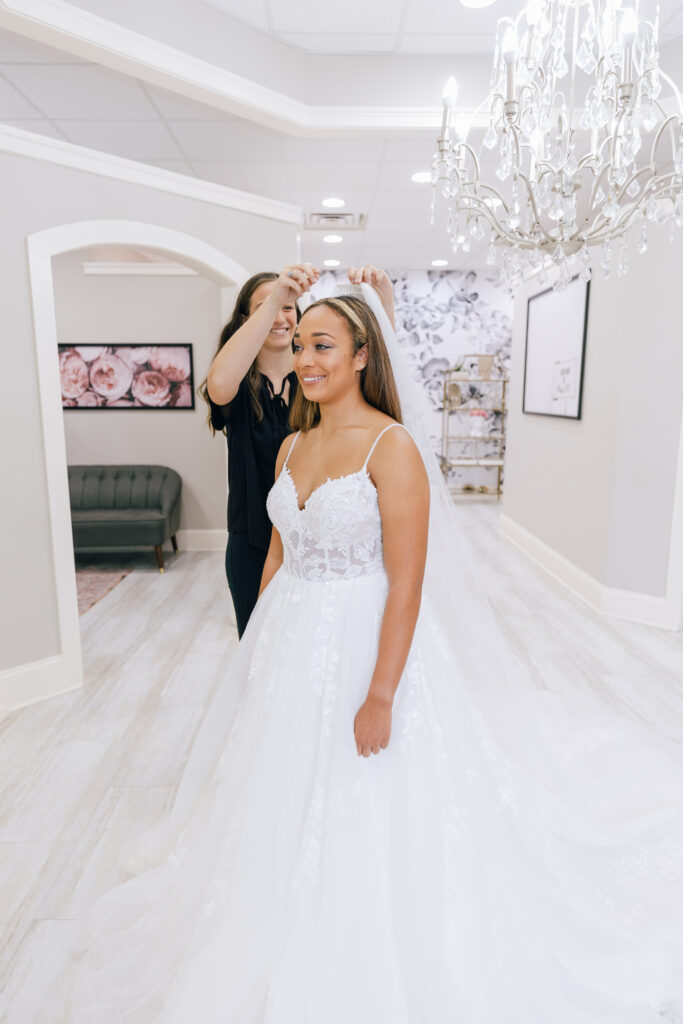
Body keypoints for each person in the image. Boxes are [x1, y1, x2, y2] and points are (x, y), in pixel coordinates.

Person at [72, 270, 683, 1023]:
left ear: (363, 354)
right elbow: (277, 551)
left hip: (361, 634)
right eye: (299, 346)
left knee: (363, 791)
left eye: (323, 345)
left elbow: (405, 583)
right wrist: (259, 643)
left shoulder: (391, 448)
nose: (306, 359)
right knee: (276, 781)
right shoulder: (291, 442)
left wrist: (381, 693)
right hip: (290, 634)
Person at [201, 263, 319, 636]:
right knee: (257, 653)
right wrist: (276, 301)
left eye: (288, 306)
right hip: (251, 543)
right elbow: (218, 383)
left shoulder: (315, 383)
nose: (281, 314)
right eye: (266, 305)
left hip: (313, 540)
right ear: (246, 319)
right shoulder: (236, 386)